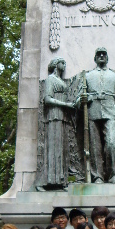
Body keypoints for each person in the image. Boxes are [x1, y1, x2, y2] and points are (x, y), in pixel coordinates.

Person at [83, 47, 115, 183]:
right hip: (92, 112)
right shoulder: (87, 76)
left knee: (111, 144)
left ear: (107, 58)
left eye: (104, 54)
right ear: (95, 58)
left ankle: (114, 175)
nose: (101, 56)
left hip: (111, 113)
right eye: (99, 54)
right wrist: (84, 99)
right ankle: (97, 176)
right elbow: (79, 98)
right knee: (94, 146)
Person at [42, 57, 75, 189]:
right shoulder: (51, 79)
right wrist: (65, 104)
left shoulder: (60, 80)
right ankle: (52, 181)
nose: (65, 65)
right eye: (63, 62)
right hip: (54, 115)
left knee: (61, 147)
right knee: (54, 147)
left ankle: (61, 179)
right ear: (56, 65)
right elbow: (47, 99)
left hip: (62, 117)